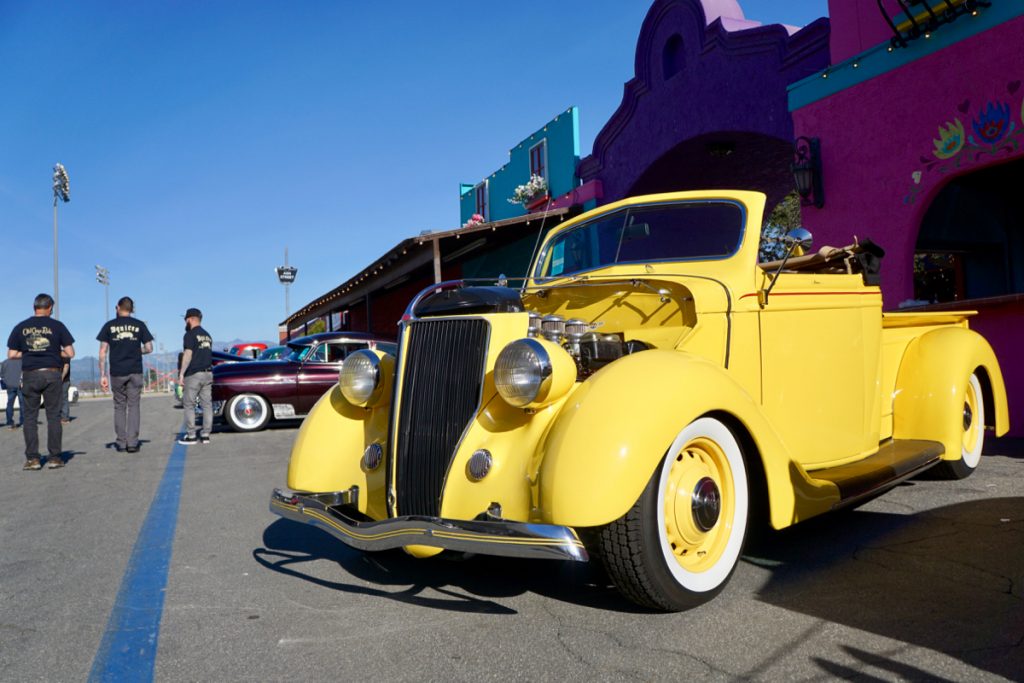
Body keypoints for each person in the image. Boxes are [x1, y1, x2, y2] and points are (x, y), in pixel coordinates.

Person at [6, 293, 75, 470]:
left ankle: (33, 459)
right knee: (53, 416)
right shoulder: (57, 326)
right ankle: (54, 457)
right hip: (52, 374)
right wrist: (53, 351)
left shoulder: (21, 327)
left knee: (29, 418)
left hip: (30, 374)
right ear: (50, 308)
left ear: (34, 307)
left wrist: (29, 352)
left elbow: (11, 355)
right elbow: (70, 353)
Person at [97, 296, 154, 453]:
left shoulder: (109, 326)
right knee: (134, 406)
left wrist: (102, 374)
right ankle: (133, 443)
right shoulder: (139, 325)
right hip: (135, 370)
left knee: (119, 406)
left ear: (117, 307)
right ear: (131, 309)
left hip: (117, 371)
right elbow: (149, 348)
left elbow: (103, 351)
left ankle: (121, 442)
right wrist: (137, 350)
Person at [178, 308, 213, 445]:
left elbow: (188, 354)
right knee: (207, 405)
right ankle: (205, 435)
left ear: (191, 319)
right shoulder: (207, 335)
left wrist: (181, 373)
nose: (185, 322)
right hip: (208, 373)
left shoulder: (190, 335)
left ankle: (191, 435)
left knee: (189, 405)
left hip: (194, 374)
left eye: (185, 319)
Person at [1, 355, 23, 429]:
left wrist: (7, 383)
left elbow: (2, 375)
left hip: (10, 386)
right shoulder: (21, 361)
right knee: (22, 404)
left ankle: (10, 422)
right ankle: (22, 422)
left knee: (10, 404)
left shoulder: (4, 362)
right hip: (20, 386)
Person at [60, 356, 71, 423]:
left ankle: (65, 418)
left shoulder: (65, 354)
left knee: (63, 398)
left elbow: (66, 366)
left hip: (64, 381)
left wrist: (62, 377)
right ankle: (60, 416)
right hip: (55, 380)